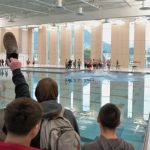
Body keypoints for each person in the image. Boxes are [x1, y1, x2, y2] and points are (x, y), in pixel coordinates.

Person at [7, 58, 80, 148]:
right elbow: (76, 142)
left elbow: (23, 95)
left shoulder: (31, 116)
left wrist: (16, 72)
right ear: (56, 94)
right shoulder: (68, 115)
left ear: (36, 94)